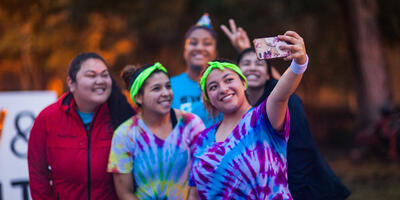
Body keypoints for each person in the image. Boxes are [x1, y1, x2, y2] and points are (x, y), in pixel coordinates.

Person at [189, 30, 308, 200]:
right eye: (213, 87)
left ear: (243, 83)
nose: (223, 89)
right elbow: (194, 194)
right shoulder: (202, 139)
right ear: (209, 99)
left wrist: (299, 62)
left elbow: (281, 94)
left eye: (229, 80)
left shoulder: (263, 118)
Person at [237, 47, 350, 200]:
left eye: (258, 64)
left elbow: (301, 149)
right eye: (246, 63)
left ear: (268, 73)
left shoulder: (286, 100)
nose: (252, 67)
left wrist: (293, 192)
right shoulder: (241, 103)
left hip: (308, 186)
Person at [28, 52, 136, 200]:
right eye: (91, 75)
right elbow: (38, 175)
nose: (100, 81)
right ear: (71, 83)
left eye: (105, 75)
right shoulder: (47, 119)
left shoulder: (124, 116)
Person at [107, 62, 205, 199]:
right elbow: (125, 193)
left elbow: (203, 177)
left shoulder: (191, 124)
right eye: (156, 89)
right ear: (138, 97)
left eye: (168, 86)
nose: (166, 93)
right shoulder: (125, 134)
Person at [171, 13, 222, 127]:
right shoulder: (169, 86)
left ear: (215, 52)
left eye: (207, 43)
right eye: (193, 43)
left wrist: (244, 51)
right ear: (184, 51)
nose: (199, 48)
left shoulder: (226, 85)